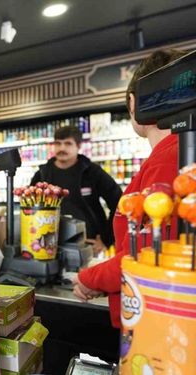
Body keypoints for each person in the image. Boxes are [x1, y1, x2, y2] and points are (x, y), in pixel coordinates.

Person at [73, 49, 186, 328]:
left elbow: (150, 253)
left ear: (135, 103)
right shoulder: (178, 153)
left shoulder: (169, 158)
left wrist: (89, 278)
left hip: (159, 322)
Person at [30, 126, 122, 254]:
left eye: (68, 143)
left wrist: (106, 239)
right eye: (58, 143)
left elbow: (119, 202)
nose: (62, 148)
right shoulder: (42, 174)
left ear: (78, 146)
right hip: (50, 245)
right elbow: (31, 208)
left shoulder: (92, 171)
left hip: (89, 245)